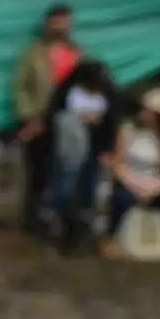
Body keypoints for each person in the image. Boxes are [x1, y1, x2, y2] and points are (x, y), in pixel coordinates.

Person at [14, 3, 82, 235]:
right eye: (57, 20)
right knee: (38, 174)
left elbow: (89, 87)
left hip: (71, 123)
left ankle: (65, 224)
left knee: (67, 174)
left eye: (66, 21)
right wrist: (30, 116)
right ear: (48, 23)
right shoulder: (33, 53)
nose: (62, 25)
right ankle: (33, 224)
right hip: (39, 123)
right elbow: (20, 88)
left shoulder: (78, 54)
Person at [44, 59, 120, 253]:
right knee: (64, 190)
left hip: (95, 149)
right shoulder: (68, 91)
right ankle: (66, 226)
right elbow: (53, 114)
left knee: (88, 192)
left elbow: (113, 122)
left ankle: (81, 233)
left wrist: (107, 148)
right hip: (69, 148)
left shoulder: (109, 94)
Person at [100, 88, 160, 258]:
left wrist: (154, 188)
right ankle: (110, 239)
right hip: (129, 179)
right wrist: (133, 185)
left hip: (153, 183)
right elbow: (118, 164)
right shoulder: (128, 131)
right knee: (121, 199)